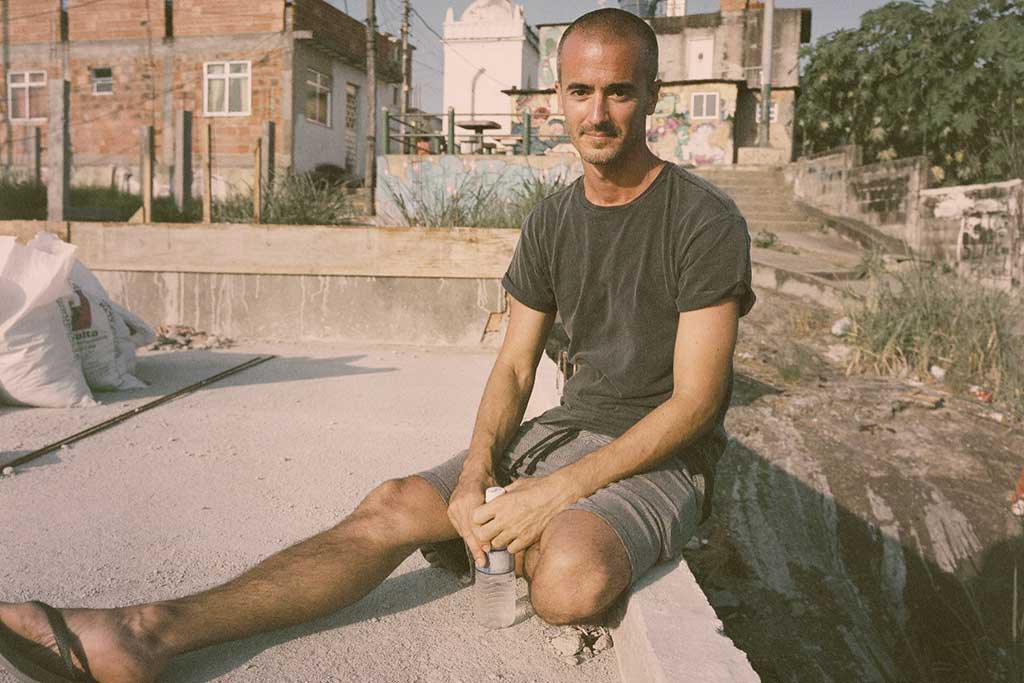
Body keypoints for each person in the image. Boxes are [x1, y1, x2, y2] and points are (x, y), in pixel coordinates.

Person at [0, 8, 754, 683]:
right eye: (581, 92)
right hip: (563, 433)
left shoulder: (702, 220)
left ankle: (518, 542)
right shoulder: (552, 221)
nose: (599, 112)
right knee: (395, 502)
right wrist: (476, 475)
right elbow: (516, 363)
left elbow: (696, 402)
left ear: (653, 94)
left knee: (570, 583)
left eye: (619, 91)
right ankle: (143, 632)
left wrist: (557, 492)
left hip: (661, 455)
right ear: (556, 98)